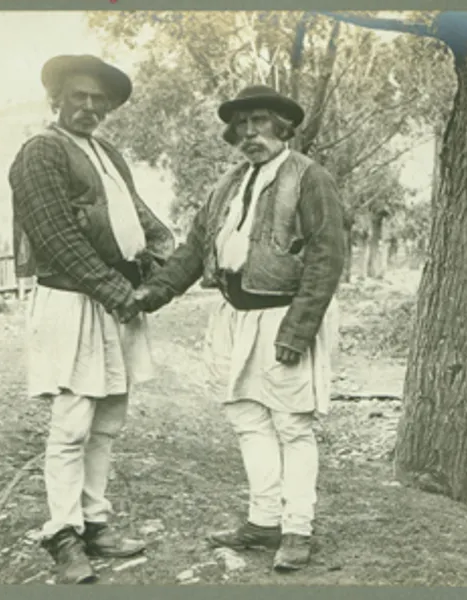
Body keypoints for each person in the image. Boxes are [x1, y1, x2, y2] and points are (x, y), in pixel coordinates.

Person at [133, 85, 346, 572]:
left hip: (283, 315)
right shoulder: (228, 183)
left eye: (261, 122)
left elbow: (326, 258)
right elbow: (192, 251)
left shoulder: (310, 178)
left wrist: (297, 331)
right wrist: (153, 294)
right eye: (242, 125)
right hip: (233, 315)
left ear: (283, 127)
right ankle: (263, 519)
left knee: (292, 425)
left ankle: (297, 529)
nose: (251, 133)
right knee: (248, 421)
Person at [8, 54, 175, 584]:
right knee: (72, 422)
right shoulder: (41, 152)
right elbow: (56, 236)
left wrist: (164, 255)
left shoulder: (107, 153)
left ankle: (95, 521)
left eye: (98, 99)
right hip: (74, 300)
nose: (88, 106)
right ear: (56, 98)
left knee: (108, 421)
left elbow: (140, 217)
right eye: (78, 96)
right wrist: (112, 290)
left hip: (116, 298)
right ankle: (62, 534)